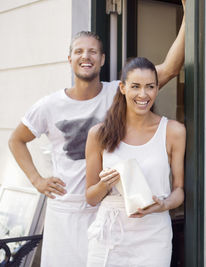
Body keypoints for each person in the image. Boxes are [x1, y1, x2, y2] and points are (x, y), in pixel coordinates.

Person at [7, 3, 185, 266]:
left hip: (108, 210)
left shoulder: (121, 92)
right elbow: (16, 139)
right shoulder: (49, 105)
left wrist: (190, 14)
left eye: (92, 51)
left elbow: (169, 68)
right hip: (66, 211)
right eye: (78, 51)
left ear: (102, 59)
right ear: (70, 59)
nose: (85, 56)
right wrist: (37, 180)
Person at [85, 57, 185, 266]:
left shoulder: (173, 131)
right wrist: (106, 184)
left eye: (150, 87)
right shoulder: (99, 134)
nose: (143, 94)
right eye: (135, 86)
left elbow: (179, 190)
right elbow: (91, 198)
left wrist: (164, 204)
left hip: (154, 235)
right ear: (122, 88)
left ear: (157, 89)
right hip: (110, 235)